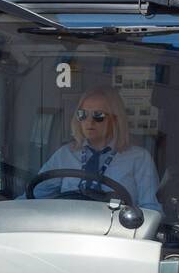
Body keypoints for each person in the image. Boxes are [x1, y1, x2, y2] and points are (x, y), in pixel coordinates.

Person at [32, 87, 160, 211]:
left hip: (115, 230)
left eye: (98, 115)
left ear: (115, 119)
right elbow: (34, 194)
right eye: (83, 114)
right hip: (69, 227)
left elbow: (151, 209)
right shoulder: (65, 154)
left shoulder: (139, 158)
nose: (89, 122)